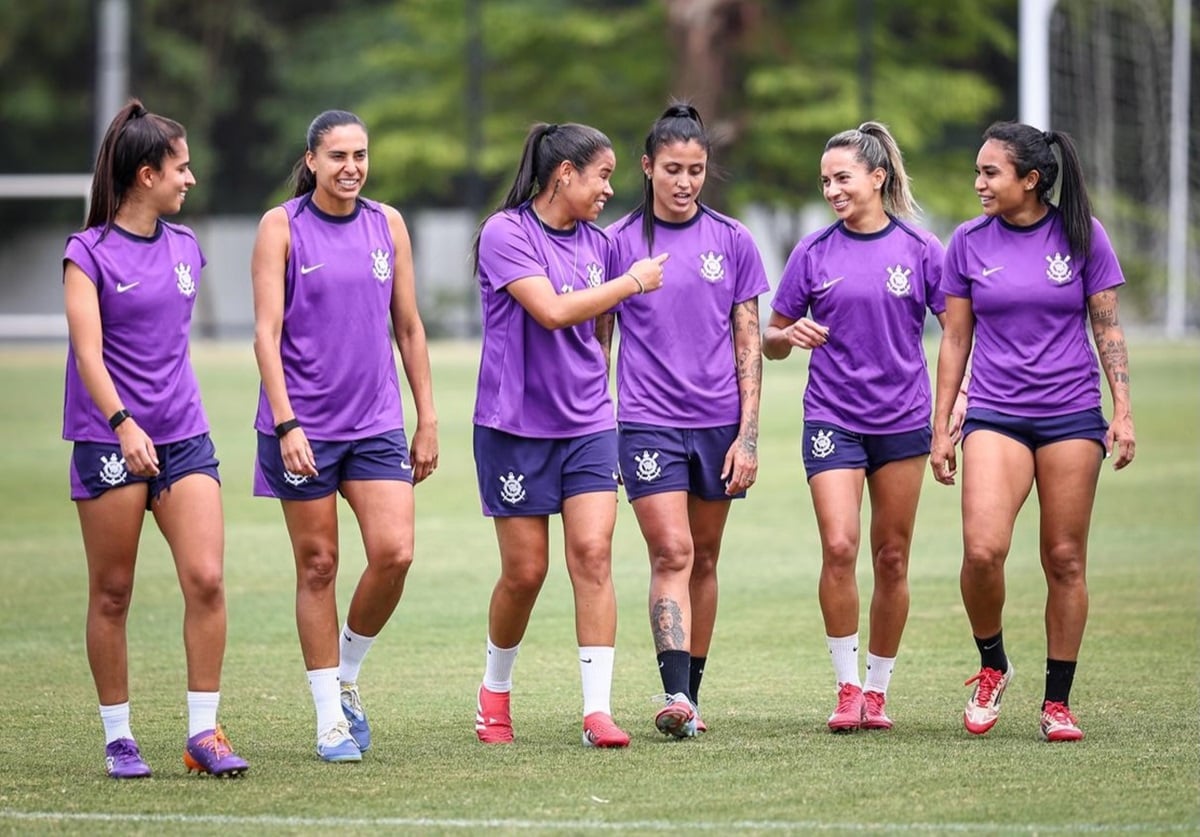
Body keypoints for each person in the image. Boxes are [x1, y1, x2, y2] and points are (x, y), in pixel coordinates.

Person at [930, 121, 1135, 742]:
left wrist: (1121, 409)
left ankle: (1057, 702)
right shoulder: (966, 241)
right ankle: (993, 663)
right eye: (978, 171)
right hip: (996, 413)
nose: (979, 184)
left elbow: (1108, 328)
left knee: (1065, 560)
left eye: (991, 173)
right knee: (983, 551)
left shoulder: (1082, 235)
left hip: (1071, 413)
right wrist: (941, 428)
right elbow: (955, 339)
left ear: (1031, 179)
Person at [62, 100, 248, 779]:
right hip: (110, 439)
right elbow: (90, 355)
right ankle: (119, 736)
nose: (190, 179)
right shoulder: (86, 253)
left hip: (185, 437)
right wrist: (123, 424)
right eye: (181, 167)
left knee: (206, 578)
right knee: (112, 591)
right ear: (146, 175)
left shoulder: (186, 249)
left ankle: (204, 733)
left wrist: (163, 423)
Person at [471, 122, 667, 748]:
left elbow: (605, 327)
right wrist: (634, 279)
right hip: (514, 427)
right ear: (564, 175)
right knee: (525, 572)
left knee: (593, 554)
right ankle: (494, 692)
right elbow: (554, 312)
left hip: (587, 422)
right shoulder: (506, 234)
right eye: (602, 175)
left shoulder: (600, 244)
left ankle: (597, 710)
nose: (611, 188)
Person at [251, 109, 438, 763]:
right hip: (302, 428)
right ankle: (329, 717)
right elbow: (265, 335)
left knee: (396, 552)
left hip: (376, 423)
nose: (351, 167)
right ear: (311, 161)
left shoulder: (388, 224)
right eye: (338, 156)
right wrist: (286, 423)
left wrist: (427, 416)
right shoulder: (281, 227)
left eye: (360, 155)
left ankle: (348, 673)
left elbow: (409, 328)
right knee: (319, 565)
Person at [764, 121, 959, 732]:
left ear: (877, 178)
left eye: (842, 178)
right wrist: (787, 336)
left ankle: (878, 690)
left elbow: (959, 331)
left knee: (892, 556)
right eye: (825, 181)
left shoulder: (922, 249)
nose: (832, 190)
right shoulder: (812, 252)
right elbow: (769, 336)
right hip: (832, 417)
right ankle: (846, 688)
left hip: (902, 421)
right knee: (841, 545)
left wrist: (951, 410)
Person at [605, 103, 769, 738]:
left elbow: (749, 344)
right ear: (647, 168)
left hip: (719, 427)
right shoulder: (617, 243)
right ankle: (673, 693)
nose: (684, 181)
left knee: (705, 558)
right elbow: (600, 343)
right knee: (671, 550)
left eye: (696, 170)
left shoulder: (733, 241)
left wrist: (747, 436)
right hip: (646, 423)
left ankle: (691, 698)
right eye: (672, 168)